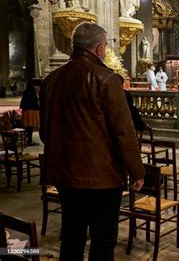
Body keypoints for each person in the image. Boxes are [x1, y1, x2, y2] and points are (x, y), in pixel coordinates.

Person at [39, 22, 145, 261]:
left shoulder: (51, 81)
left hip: (65, 175)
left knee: (72, 237)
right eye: (105, 46)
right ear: (99, 48)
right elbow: (123, 132)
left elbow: (45, 133)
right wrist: (137, 171)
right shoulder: (107, 80)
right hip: (102, 178)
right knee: (103, 241)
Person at [20, 79, 41, 146]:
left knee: (30, 127)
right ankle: (29, 141)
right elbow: (34, 101)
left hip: (28, 110)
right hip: (30, 111)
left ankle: (29, 140)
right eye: (38, 86)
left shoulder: (29, 90)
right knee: (30, 127)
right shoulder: (31, 91)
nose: (39, 87)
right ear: (35, 85)